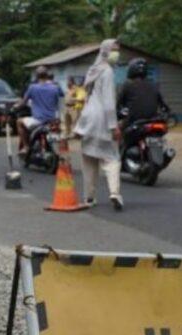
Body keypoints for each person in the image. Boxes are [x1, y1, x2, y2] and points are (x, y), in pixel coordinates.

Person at [75, 40, 124, 211]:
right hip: (102, 119)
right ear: (105, 51)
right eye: (114, 50)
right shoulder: (108, 72)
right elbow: (109, 103)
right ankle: (114, 193)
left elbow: (88, 99)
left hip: (88, 119)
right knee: (111, 158)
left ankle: (89, 197)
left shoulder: (94, 70)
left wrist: (79, 126)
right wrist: (114, 126)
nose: (117, 54)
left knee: (89, 159)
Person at [18, 65, 64, 154]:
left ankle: (26, 147)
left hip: (38, 120)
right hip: (52, 120)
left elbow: (23, 102)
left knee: (19, 122)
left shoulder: (33, 87)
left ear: (36, 76)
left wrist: (16, 107)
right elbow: (61, 96)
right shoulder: (55, 87)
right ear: (47, 75)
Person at [117, 58, 170, 124]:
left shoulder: (127, 85)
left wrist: (118, 114)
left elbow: (119, 103)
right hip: (152, 121)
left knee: (118, 131)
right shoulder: (153, 85)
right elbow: (163, 105)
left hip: (133, 121)